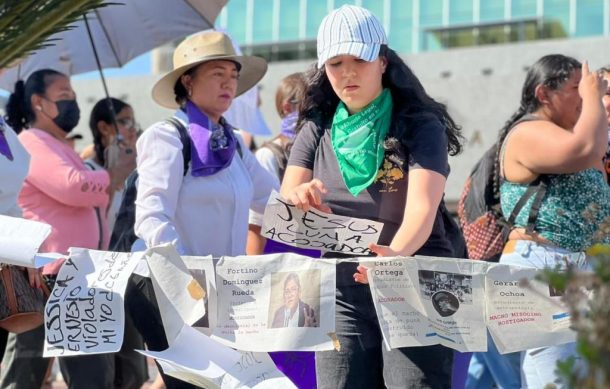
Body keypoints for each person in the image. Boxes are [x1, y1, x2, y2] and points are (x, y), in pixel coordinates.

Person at [280, 5, 462, 388]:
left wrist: (394, 257)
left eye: (359, 59)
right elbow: (287, 197)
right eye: (335, 62)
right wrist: (299, 195)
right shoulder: (316, 128)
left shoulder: (419, 124)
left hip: (414, 279)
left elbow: (423, 209)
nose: (347, 72)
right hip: (342, 284)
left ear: (382, 60)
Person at [125, 30, 277, 389]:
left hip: (222, 295)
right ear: (187, 82)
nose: (229, 84)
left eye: (233, 76)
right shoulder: (166, 136)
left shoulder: (234, 144)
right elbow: (151, 218)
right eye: (217, 74)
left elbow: (276, 204)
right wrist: (188, 284)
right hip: (171, 290)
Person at [1, 68, 135, 389]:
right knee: (27, 370)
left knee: (91, 372)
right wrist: (110, 176)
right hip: (45, 276)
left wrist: (110, 176)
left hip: (79, 274)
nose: (73, 102)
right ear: (39, 103)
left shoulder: (60, 147)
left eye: (74, 96)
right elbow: (71, 186)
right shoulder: (32, 141)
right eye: (64, 96)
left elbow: (94, 199)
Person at [487, 55, 609, 387]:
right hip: (541, 266)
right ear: (544, 94)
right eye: (576, 89)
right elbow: (586, 148)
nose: (584, 97)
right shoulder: (528, 132)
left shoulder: (563, 133)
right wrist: (596, 96)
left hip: (575, 270)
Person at [85, 97, 148, 389]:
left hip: (130, 273)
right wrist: (112, 175)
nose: (132, 129)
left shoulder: (137, 168)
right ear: (103, 127)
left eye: (132, 122)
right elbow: (96, 218)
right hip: (96, 276)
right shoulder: (87, 167)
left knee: (133, 366)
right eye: (124, 121)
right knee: (101, 369)